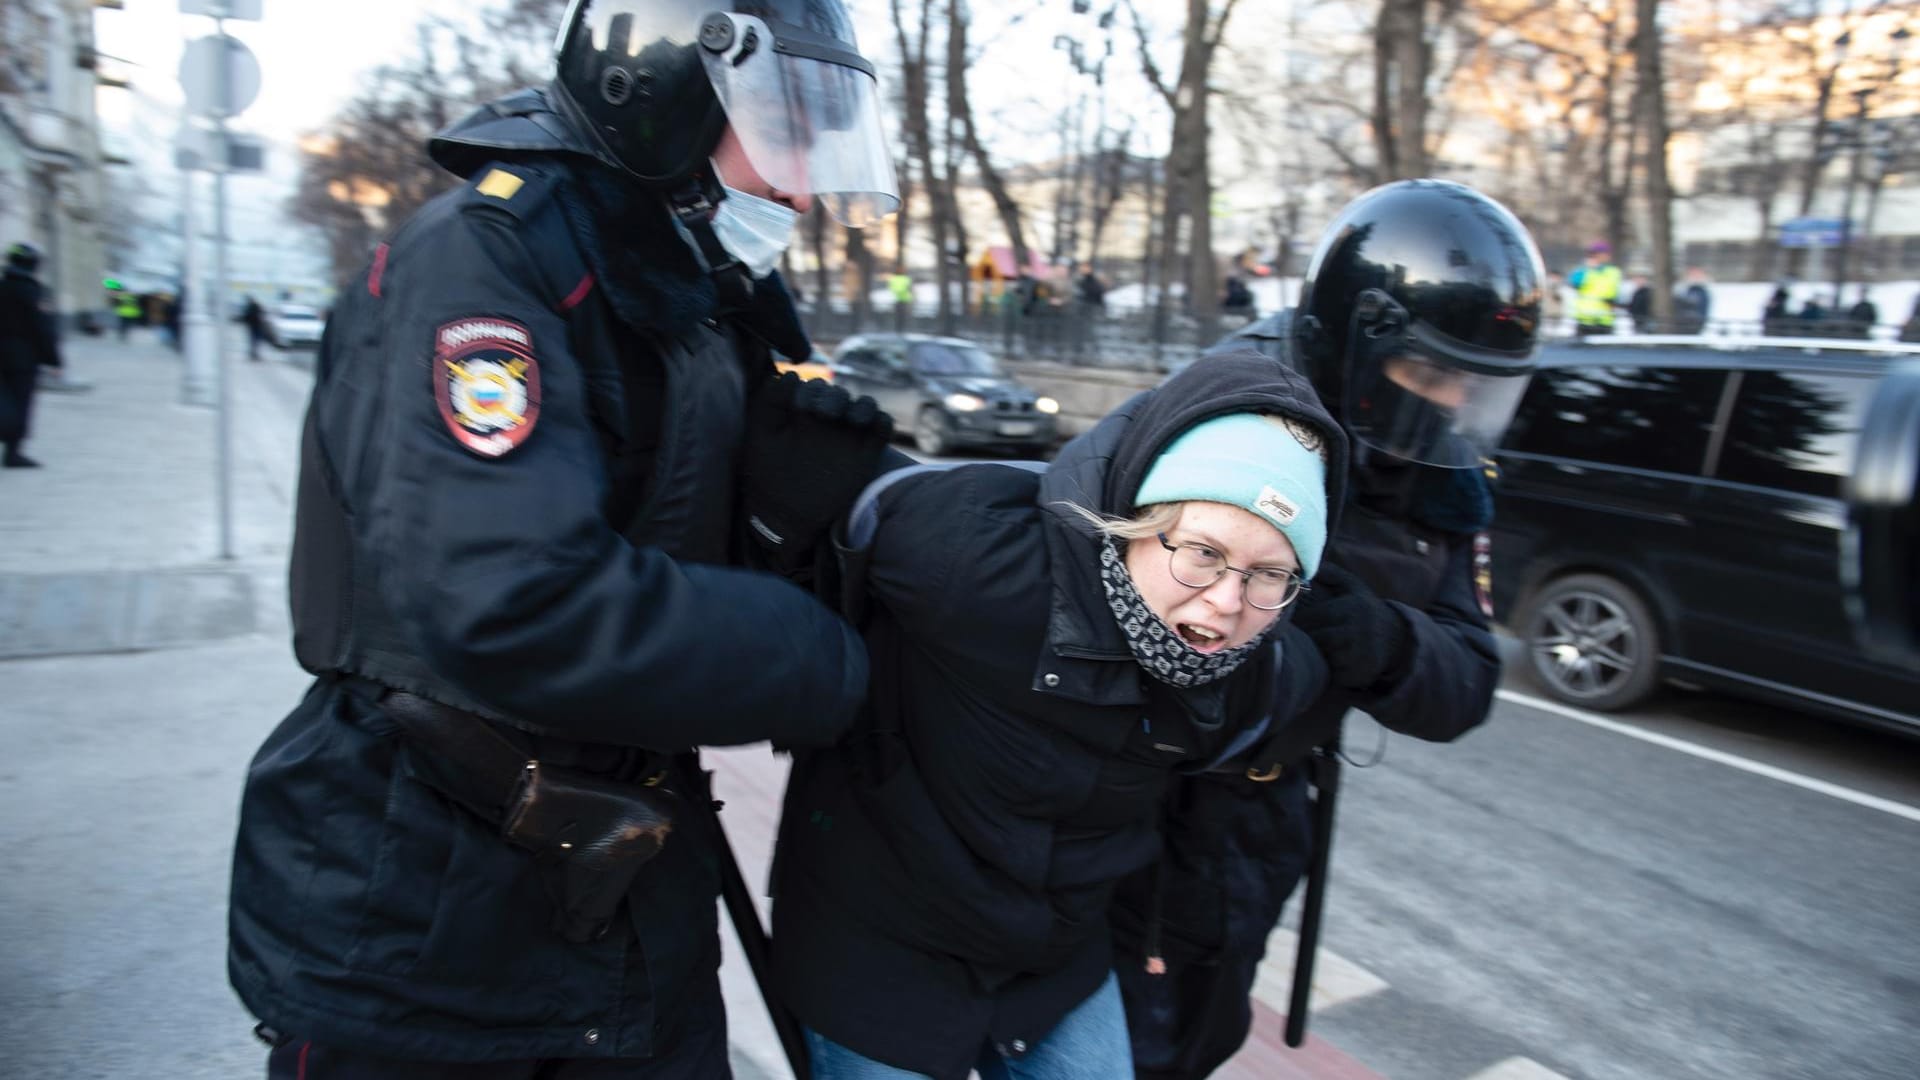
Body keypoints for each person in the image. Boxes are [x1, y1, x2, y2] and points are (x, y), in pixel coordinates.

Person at [225, 1, 902, 1076]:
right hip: (427, 910)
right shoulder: (486, 260)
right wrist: (810, 653)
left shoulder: (702, 284)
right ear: (666, 91)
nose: (804, 185)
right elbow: (517, 602)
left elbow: (684, 537)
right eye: (783, 130)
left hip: (630, 895)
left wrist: (783, 523)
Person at [769, 348, 1343, 1080]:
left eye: (1268, 574)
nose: (1228, 603)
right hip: (881, 941)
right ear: (1139, 520)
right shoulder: (970, 560)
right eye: (1201, 552)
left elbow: (1314, 689)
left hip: (1054, 959)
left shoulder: (1256, 676)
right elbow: (828, 555)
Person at [1114, 179, 1544, 1079]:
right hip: (1145, 803)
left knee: (1204, 1032)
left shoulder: (1445, 483)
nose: (1451, 402)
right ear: (1357, 344)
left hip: (1268, 816)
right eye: (1430, 374)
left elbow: (1467, 678)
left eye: (1470, 383)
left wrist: (1385, 641)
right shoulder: (1226, 415)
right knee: (1117, 1041)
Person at [1, 241, 63, 468]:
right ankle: (13, 452)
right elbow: (42, 329)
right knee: (20, 402)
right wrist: (55, 361)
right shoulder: (33, 292)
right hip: (23, 359)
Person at [1569, 240, 1620, 336]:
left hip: (1605, 319)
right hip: (1586, 319)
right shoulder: (1584, 271)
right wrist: (1586, 268)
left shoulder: (1614, 272)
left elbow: (1615, 293)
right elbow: (1574, 283)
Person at [1676, 266, 1711, 334]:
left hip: (1693, 325)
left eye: (1697, 275)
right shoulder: (1687, 289)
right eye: (1692, 275)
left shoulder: (1702, 292)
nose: (1694, 277)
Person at [241, 296, 277, 361]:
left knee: (254, 341)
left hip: (255, 327)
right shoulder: (255, 307)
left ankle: (254, 354)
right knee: (255, 342)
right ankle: (254, 354)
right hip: (256, 326)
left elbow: (247, 316)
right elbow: (262, 314)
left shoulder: (252, 307)